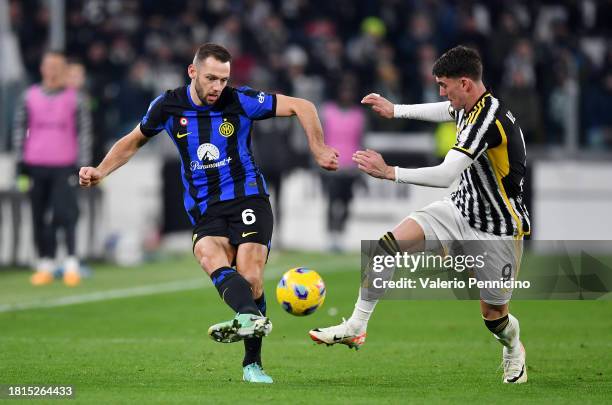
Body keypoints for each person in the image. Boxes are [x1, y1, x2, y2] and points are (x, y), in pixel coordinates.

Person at [79, 43, 338, 384]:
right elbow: (133, 141)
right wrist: (101, 170)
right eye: (211, 78)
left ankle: (252, 364)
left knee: (250, 274)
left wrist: (317, 148)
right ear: (193, 72)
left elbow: (303, 106)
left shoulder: (240, 100)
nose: (218, 87)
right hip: (207, 208)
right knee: (206, 252)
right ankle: (250, 316)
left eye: (224, 79)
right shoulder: (168, 105)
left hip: (249, 199)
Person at [310, 46, 530, 384]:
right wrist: (395, 109)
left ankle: (513, 349)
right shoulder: (467, 105)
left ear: (466, 83)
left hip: (498, 227)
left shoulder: (487, 120)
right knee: (384, 247)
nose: (441, 92)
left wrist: (390, 172)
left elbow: (444, 175)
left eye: (445, 85)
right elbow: (445, 110)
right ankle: (356, 325)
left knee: (494, 317)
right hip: (460, 207)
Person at [12, 50, 92, 287]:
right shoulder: (29, 97)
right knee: (39, 216)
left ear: (63, 70)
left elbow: (84, 133)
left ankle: (71, 263)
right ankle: (44, 263)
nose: (53, 70)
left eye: (58, 66)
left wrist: (82, 165)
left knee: (65, 214)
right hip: (36, 164)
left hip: (65, 164)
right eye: (49, 65)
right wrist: (20, 164)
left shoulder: (75, 99)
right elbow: (19, 130)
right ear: (42, 68)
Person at [320, 75, 366, 251]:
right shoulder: (328, 111)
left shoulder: (358, 115)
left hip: (351, 167)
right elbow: (320, 137)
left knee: (346, 203)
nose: (346, 94)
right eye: (344, 91)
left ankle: (341, 233)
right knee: (332, 202)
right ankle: (331, 235)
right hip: (331, 165)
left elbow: (361, 140)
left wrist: (362, 165)